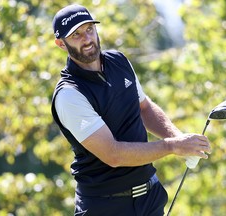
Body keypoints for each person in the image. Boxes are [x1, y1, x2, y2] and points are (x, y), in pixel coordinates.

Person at [51, 4, 211, 216]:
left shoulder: (119, 62)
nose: (87, 39)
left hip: (149, 198)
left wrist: (180, 140)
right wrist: (172, 146)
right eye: (76, 35)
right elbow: (113, 154)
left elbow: (144, 108)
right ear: (61, 44)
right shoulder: (69, 95)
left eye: (89, 29)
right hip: (105, 207)